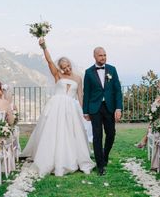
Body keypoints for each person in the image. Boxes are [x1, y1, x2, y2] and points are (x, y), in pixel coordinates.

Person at [22, 39, 95, 176]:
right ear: (60, 68)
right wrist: (44, 47)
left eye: (68, 66)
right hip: (56, 106)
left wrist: (85, 111)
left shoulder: (78, 78)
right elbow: (49, 61)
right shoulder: (58, 75)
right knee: (52, 132)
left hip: (70, 109)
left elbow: (80, 96)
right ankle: (50, 159)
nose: (67, 69)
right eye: (63, 67)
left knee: (71, 133)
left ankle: (73, 159)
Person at [82, 46, 123, 176]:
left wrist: (118, 108)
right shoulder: (88, 72)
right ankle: (100, 165)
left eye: (105, 55)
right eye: (100, 55)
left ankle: (105, 155)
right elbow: (86, 93)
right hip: (95, 108)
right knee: (97, 135)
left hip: (109, 107)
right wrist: (85, 111)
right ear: (94, 56)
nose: (103, 57)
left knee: (111, 134)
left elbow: (117, 90)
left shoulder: (112, 69)